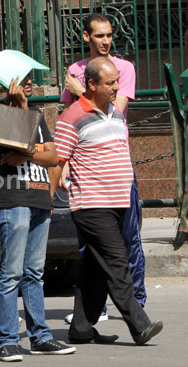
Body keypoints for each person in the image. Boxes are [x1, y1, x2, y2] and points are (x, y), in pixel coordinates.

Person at [54, 57, 162, 345]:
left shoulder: (114, 112)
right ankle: (139, 325)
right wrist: (48, 199)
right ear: (91, 84)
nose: (117, 87)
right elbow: (57, 160)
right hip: (91, 204)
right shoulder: (72, 116)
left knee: (95, 268)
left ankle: (80, 329)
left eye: (116, 80)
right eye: (110, 82)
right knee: (117, 262)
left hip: (118, 202)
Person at [60, 13, 146, 324]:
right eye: (99, 35)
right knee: (93, 250)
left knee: (128, 241)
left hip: (117, 166)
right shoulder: (75, 70)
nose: (106, 41)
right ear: (86, 37)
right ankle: (95, 315)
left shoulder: (124, 68)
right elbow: (71, 117)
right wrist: (66, 164)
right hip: (88, 170)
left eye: (109, 35)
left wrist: (80, 90)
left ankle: (136, 301)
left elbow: (114, 110)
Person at [0, 73, 76, 362]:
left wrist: (29, 154)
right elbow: (15, 145)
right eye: (22, 80)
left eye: (30, 80)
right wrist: (23, 115)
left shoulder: (36, 115)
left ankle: (39, 336)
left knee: (35, 274)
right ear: (7, 84)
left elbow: (52, 157)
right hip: (14, 201)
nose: (29, 84)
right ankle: (7, 340)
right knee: (11, 273)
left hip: (40, 199)